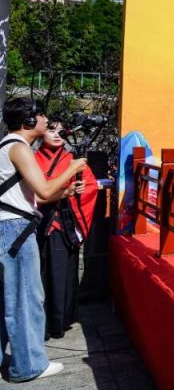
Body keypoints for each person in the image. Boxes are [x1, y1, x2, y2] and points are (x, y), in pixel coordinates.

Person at [0, 98, 87, 382]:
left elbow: (35, 195)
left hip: (8, 228)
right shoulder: (19, 147)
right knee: (26, 298)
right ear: (28, 121)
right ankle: (28, 366)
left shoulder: (6, 145)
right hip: (16, 230)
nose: (46, 121)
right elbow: (45, 191)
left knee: (7, 299)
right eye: (41, 116)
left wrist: (67, 192)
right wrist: (72, 168)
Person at [34, 117, 99, 340]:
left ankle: (59, 321)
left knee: (63, 274)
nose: (56, 135)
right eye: (51, 130)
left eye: (61, 132)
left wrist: (80, 189)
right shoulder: (32, 159)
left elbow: (91, 187)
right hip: (39, 222)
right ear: (41, 133)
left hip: (65, 223)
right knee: (39, 275)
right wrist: (65, 189)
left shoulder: (73, 160)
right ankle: (42, 323)